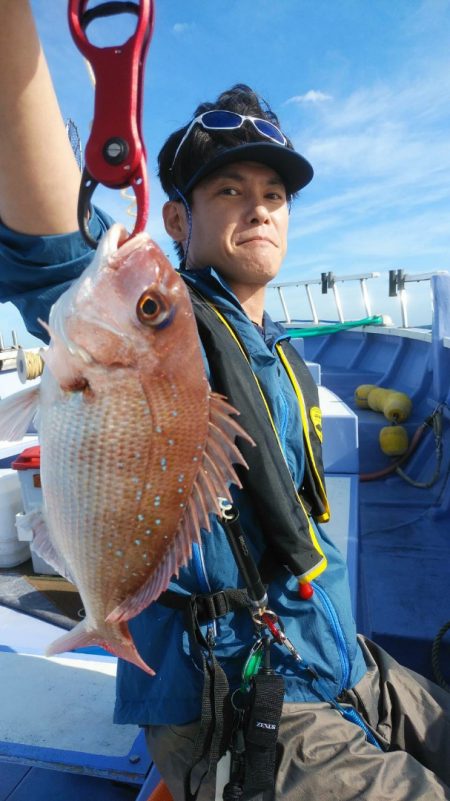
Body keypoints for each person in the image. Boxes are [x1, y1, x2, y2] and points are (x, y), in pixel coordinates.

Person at [1, 3, 450, 800]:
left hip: (342, 656)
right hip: (240, 700)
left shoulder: (281, 349)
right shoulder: (173, 327)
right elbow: (49, 235)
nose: (261, 206)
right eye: (231, 188)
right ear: (176, 217)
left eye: (275, 192)